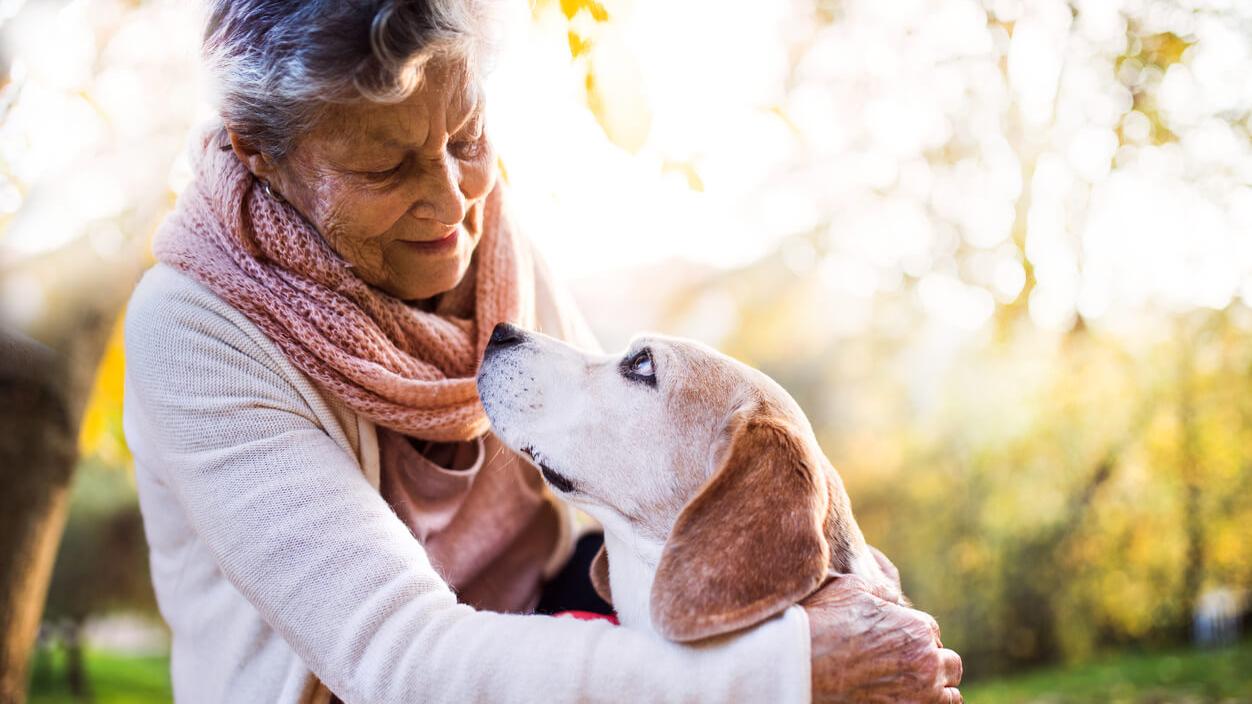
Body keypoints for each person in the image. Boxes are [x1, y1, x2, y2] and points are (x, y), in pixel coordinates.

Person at [121, 1, 964, 701]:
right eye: (387, 167)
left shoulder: (485, 231)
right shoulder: (191, 332)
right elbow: (400, 660)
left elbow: (626, 472)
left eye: (466, 135)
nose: (453, 200)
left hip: (557, 616)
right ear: (260, 155)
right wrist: (786, 671)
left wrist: (853, 601)